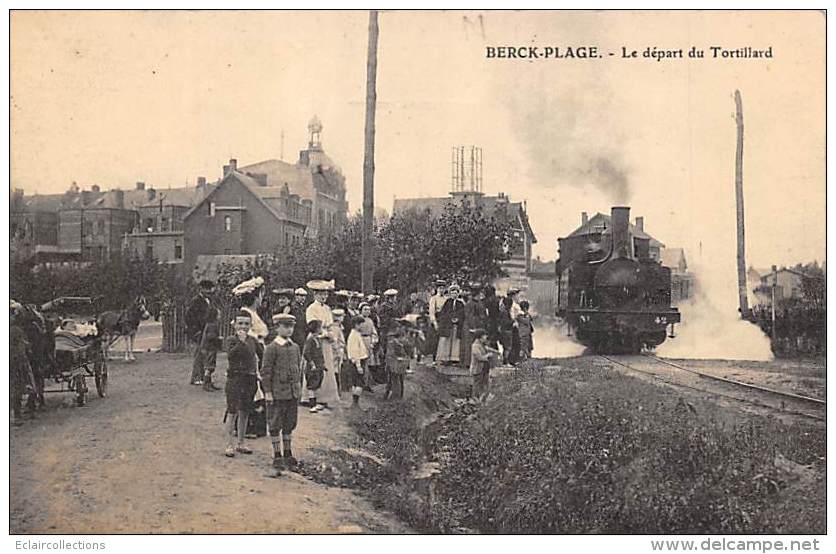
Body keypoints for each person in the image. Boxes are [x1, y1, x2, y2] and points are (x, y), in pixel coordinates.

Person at [261, 313, 302, 476]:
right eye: (285, 326)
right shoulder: (272, 348)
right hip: (278, 393)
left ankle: (288, 453)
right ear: (277, 328)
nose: (289, 330)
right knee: (275, 423)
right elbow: (266, 372)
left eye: (291, 326)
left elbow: (298, 369)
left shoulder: (295, 347)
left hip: (292, 393)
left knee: (289, 423)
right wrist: (268, 392)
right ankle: (277, 455)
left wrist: (298, 389)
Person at [224, 311, 263, 457]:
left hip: (249, 379)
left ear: (251, 325)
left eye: (246, 324)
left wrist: (260, 371)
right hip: (234, 379)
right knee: (232, 411)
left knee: (245, 411)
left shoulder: (253, 340)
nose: (243, 326)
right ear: (234, 325)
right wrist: (241, 341)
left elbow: (261, 354)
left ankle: (241, 443)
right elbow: (231, 355)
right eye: (240, 323)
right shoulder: (231, 340)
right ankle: (229, 444)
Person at [305, 280, 340, 409]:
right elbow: (312, 325)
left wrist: (331, 334)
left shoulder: (327, 308)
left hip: (326, 341)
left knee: (326, 365)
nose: (324, 297)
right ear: (315, 295)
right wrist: (323, 333)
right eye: (321, 294)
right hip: (316, 338)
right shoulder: (311, 308)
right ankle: (311, 396)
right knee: (315, 366)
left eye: (325, 294)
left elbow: (330, 324)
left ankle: (324, 397)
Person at [186, 279, 215, 385]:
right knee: (199, 354)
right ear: (201, 289)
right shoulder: (196, 301)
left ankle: (202, 376)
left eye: (210, 289)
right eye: (207, 289)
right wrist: (195, 330)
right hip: (198, 331)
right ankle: (196, 377)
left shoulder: (208, 300)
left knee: (204, 354)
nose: (209, 291)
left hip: (205, 331)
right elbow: (189, 317)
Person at [435, 284, 465, 364]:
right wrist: (450, 318)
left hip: (456, 325)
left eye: (456, 293)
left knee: (455, 340)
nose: (454, 295)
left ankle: (454, 357)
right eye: (452, 293)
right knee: (446, 340)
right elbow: (444, 313)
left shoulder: (460, 303)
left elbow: (462, 313)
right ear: (450, 294)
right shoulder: (447, 302)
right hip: (448, 324)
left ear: (458, 294)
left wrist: (457, 319)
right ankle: (445, 357)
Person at [302, 320, 326, 413]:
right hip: (313, 366)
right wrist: (312, 364)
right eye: (320, 328)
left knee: (317, 384)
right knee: (312, 385)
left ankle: (315, 403)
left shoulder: (318, 339)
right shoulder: (310, 339)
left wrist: (322, 364)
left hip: (319, 366)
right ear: (316, 329)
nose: (321, 329)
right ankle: (312, 405)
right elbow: (306, 353)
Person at [461, 283, 487, 368]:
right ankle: (467, 363)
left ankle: (476, 362)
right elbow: (469, 316)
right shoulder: (470, 304)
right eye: (480, 293)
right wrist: (473, 328)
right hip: (470, 326)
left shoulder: (479, 303)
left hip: (478, 325)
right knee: (469, 344)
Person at [470, 328, 500, 401]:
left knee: (485, 385)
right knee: (477, 386)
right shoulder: (475, 346)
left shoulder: (481, 345)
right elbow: (479, 357)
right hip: (478, 370)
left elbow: (487, 348)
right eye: (484, 336)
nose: (485, 337)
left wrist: (496, 352)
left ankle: (482, 399)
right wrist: (488, 355)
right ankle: (475, 400)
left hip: (484, 369)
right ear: (479, 337)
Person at [346, 315, 369, 407]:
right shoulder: (353, 336)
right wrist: (358, 365)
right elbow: (355, 352)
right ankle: (355, 403)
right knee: (359, 382)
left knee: (356, 382)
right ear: (355, 325)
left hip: (358, 360)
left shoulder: (356, 334)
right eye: (360, 324)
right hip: (357, 361)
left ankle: (355, 403)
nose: (361, 326)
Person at [199, 306, 223, 391]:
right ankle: (206, 384)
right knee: (209, 366)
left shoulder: (209, 324)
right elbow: (210, 337)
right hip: (209, 349)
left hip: (207, 348)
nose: (220, 316)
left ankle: (209, 383)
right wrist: (218, 338)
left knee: (210, 365)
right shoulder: (212, 325)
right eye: (219, 315)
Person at [357, 302, 380, 390]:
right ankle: (358, 383)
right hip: (359, 341)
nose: (367, 311)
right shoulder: (357, 320)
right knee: (359, 363)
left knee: (367, 364)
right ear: (361, 310)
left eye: (368, 310)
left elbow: (374, 333)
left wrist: (372, 342)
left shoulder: (370, 321)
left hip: (368, 342)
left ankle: (365, 383)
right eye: (365, 309)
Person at [384, 322, 409, 400]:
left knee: (400, 380)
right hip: (393, 365)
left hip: (399, 366)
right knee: (393, 380)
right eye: (403, 337)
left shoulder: (401, 345)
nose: (404, 339)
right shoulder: (392, 344)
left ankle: (399, 396)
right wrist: (398, 358)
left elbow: (405, 354)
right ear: (399, 337)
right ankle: (394, 396)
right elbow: (390, 354)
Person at [427, 280, 446, 360]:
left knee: (443, 339)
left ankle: (443, 357)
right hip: (437, 319)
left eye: (443, 288)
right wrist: (434, 322)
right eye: (440, 288)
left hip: (444, 320)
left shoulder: (446, 298)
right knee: (435, 340)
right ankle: (434, 358)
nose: (441, 290)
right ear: (437, 289)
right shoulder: (434, 298)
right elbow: (431, 312)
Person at [331, 308, 347, 392]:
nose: (343, 318)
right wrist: (337, 352)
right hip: (335, 352)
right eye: (341, 317)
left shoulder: (339, 327)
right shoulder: (335, 328)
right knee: (335, 370)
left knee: (338, 369)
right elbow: (334, 341)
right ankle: (335, 390)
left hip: (339, 351)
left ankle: (337, 390)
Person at [498, 296, 515, 365]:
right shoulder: (505, 312)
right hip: (506, 331)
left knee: (506, 347)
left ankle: (505, 361)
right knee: (508, 347)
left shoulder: (502, 311)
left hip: (503, 331)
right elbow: (505, 323)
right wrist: (512, 321)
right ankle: (506, 361)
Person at [483, 284, 500, 351]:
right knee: (493, 339)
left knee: (488, 338)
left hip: (488, 321)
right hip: (494, 321)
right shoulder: (496, 300)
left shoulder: (485, 301)